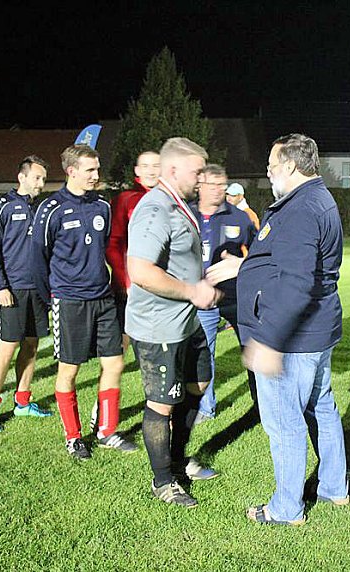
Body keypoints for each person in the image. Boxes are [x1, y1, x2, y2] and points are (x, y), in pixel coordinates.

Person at [209, 133, 349, 526]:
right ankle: (334, 487)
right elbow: (286, 262)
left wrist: (269, 340)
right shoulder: (312, 200)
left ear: (289, 165)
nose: (268, 172)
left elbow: (296, 282)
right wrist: (245, 267)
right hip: (316, 330)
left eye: (271, 164)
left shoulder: (302, 208)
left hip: (294, 337)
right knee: (321, 406)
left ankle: (287, 509)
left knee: (285, 420)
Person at [126, 137, 221, 508]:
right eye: (197, 171)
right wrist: (191, 291)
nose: (201, 178)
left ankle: (178, 460)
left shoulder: (178, 205)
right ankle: (163, 481)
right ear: (173, 170)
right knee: (161, 403)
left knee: (199, 383)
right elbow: (141, 271)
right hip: (159, 324)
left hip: (186, 319)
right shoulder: (155, 209)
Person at [31, 144, 136, 459]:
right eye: (90, 170)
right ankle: (74, 437)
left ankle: (106, 430)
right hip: (69, 301)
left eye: (97, 169)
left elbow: (104, 249)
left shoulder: (102, 206)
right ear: (71, 171)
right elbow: (38, 260)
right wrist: (52, 299)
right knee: (69, 370)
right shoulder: (50, 209)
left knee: (115, 363)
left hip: (102, 298)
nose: (96, 176)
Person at [0, 156, 53, 432]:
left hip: (38, 291)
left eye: (44, 179)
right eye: (37, 178)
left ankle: (22, 402)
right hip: (11, 290)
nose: (41, 184)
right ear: (21, 177)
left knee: (32, 346)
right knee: (6, 349)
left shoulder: (43, 209)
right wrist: (0, 286)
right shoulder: (2, 206)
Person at [189, 164, 257, 424]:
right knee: (204, 355)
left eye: (222, 185)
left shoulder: (239, 218)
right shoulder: (188, 215)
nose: (218, 190)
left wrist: (242, 269)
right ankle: (206, 408)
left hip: (236, 298)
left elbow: (258, 253)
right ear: (199, 186)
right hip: (203, 300)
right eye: (212, 184)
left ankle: (260, 404)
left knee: (251, 350)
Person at [107, 150, 160, 351]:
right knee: (121, 344)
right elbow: (113, 244)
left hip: (162, 283)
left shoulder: (170, 199)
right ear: (137, 170)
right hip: (131, 286)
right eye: (145, 166)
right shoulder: (126, 199)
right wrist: (124, 280)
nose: (151, 171)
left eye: (156, 166)